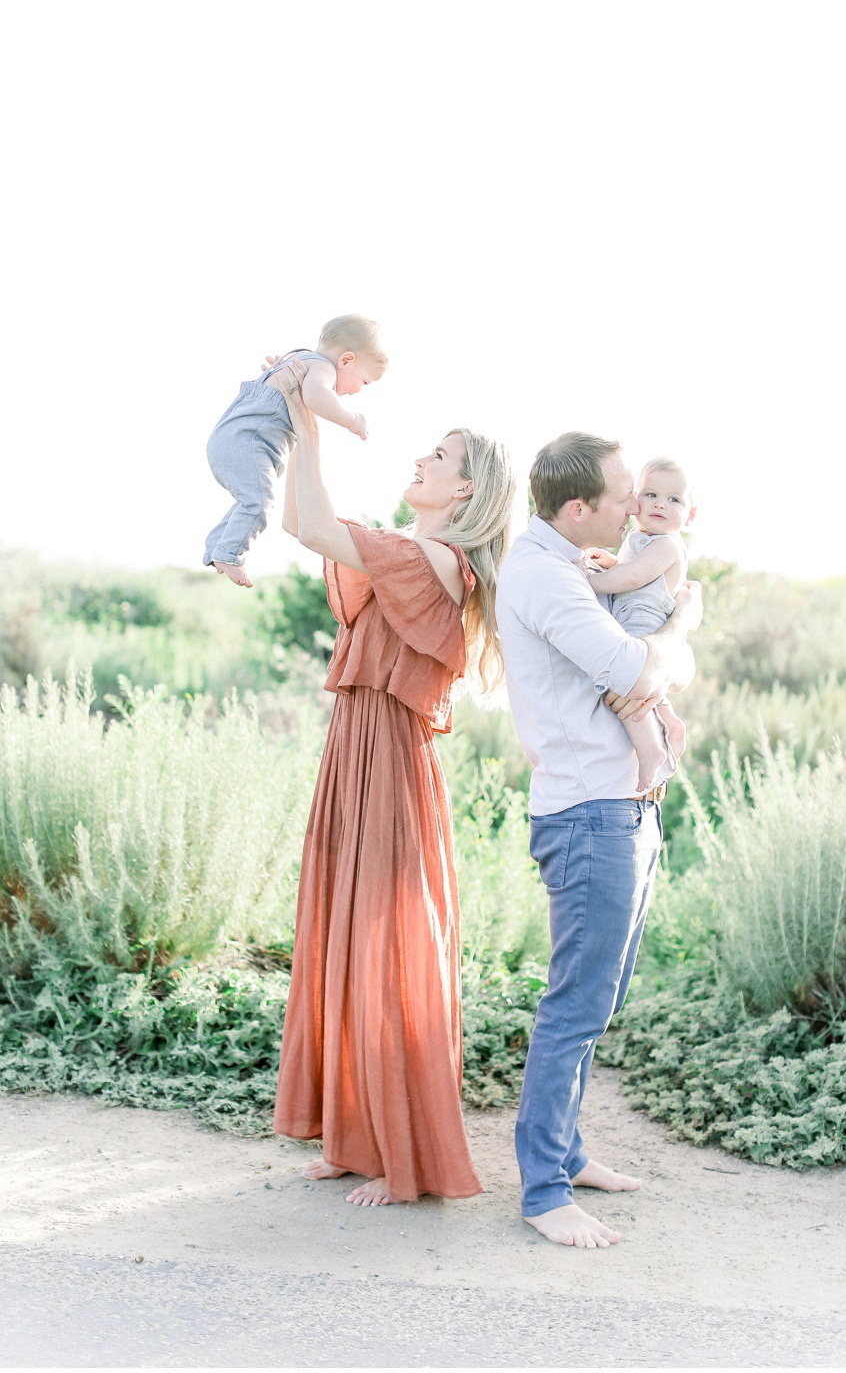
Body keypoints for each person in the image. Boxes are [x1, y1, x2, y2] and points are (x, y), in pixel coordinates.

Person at [270, 355, 516, 1207]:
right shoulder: (415, 548)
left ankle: (400, 1155)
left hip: (390, 761)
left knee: (386, 947)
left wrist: (311, 414)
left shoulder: (438, 560)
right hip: (355, 751)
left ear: (466, 492)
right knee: (345, 936)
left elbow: (313, 530)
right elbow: (308, 518)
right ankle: (354, 1134)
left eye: (440, 457)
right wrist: (301, 416)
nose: (422, 460)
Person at [495, 432, 703, 1248]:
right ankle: (544, 1191)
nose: (635, 511)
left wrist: (667, 644)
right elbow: (637, 672)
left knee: (600, 999)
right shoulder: (546, 575)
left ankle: (567, 1154)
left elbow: (649, 668)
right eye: (623, 497)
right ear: (579, 507)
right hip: (588, 812)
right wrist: (681, 627)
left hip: (622, 804)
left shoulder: (579, 566)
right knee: (576, 1005)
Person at [203, 314, 387, 588]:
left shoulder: (298, 358)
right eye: (364, 381)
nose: (359, 391)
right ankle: (231, 554)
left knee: (249, 501)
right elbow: (315, 397)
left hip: (230, 439)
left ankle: (218, 549)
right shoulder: (324, 368)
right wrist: (351, 420)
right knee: (261, 502)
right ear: (346, 360)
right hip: (246, 442)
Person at [584, 458, 698, 793]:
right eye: (650, 494)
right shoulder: (640, 538)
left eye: (674, 499)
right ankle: (668, 723)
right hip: (633, 622)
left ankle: (650, 751)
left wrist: (591, 580)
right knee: (636, 692)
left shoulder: (667, 545)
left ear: (691, 514)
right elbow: (629, 566)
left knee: (624, 688)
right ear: (635, 500)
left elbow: (633, 576)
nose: (660, 503)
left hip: (644, 628)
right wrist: (611, 563)